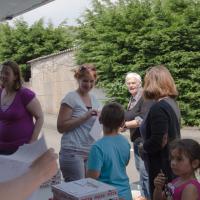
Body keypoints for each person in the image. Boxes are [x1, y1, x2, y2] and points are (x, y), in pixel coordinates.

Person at [139, 65, 181, 199]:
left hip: (161, 167)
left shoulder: (158, 107)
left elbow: (159, 141)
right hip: (171, 163)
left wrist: (143, 147)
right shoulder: (172, 103)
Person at [57, 64, 100, 182]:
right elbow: (61, 127)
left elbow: (95, 125)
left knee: (90, 190)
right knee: (77, 191)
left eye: (92, 81)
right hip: (73, 151)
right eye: (85, 81)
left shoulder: (95, 99)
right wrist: (84, 117)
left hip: (90, 151)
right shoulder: (71, 98)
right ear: (78, 79)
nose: (89, 84)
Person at [87, 102, 132, 200]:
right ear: (122, 123)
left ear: (101, 120)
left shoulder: (97, 147)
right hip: (126, 193)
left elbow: (91, 178)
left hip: (107, 196)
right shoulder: (125, 141)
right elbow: (125, 162)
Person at [0, 60, 44, 155]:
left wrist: (33, 141)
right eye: (1, 73)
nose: (3, 76)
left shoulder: (24, 94)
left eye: (7, 73)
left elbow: (40, 117)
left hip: (20, 149)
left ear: (15, 76)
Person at [122, 72, 153, 200]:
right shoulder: (133, 98)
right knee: (140, 170)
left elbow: (142, 120)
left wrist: (124, 125)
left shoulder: (145, 97)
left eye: (133, 83)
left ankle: (149, 196)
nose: (131, 85)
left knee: (145, 172)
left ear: (139, 83)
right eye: (128, 83)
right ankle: (145, 194)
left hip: (144, 140)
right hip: (137, 140)